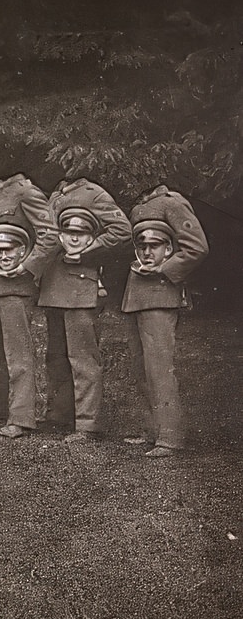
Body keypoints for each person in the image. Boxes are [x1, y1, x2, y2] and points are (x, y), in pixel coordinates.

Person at [31, 178, 130, 442]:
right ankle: (59, 415)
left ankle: (86, 424)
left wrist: (87, 251)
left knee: (82, 359)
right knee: (56, 356)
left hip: (80, 286)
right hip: (53, 286)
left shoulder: (93, 193)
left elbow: (121, 230)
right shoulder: (56, 192)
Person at [121, 186, 209, 457]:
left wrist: (165, 269)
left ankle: (170, 437)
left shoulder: (171, 203)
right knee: (141, 366)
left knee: (159, 368)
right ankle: (153, 430)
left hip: (161, 294)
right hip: (137, 293)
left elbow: (197, 247)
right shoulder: (140, 207)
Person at [0, 174, 56, 439]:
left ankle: (22, 418)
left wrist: (27, 266)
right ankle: (5, 409)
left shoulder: (27, 192)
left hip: (16, 285)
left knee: (18, 354)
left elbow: (50, 235)